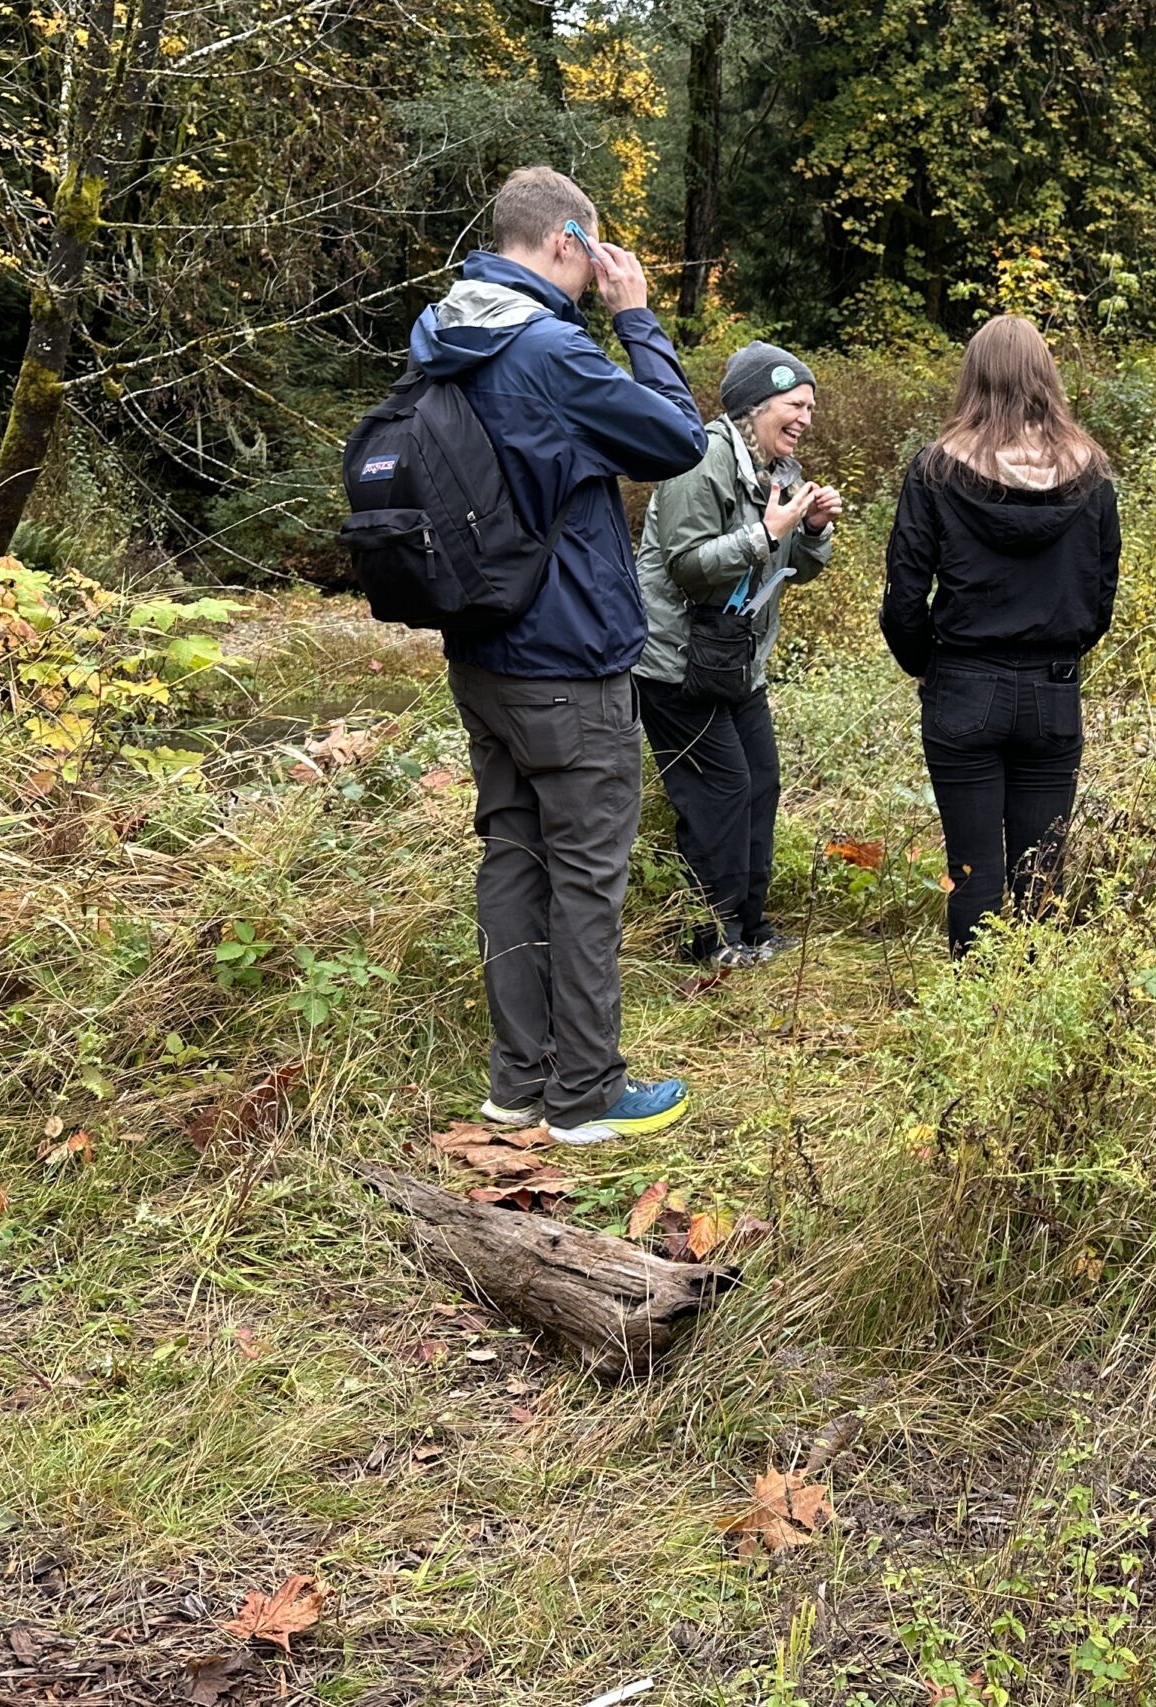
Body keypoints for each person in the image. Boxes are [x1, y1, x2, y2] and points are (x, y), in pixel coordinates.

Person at [413, 166, 707, 1145]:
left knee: (510, 851)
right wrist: (637, 319)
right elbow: (675, 440)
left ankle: (517, 1080)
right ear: (567, 242)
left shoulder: (440, 337)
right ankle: (583, 1093)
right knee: (586, 868)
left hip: (480, 651)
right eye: (592, 256)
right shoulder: (546, 348)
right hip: (568, 658)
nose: (594, 274)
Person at [880, 315, 1121, 953]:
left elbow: (904, 597)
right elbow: (1100, 599)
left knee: (972, 873)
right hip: (1053, 689)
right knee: (1040, 878)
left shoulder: (935, 469)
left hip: (963, 686)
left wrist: (930, 667)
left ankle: (975, 1025)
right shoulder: (1091, 474)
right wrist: (1058, 651)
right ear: (1046, 378)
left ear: (972, 379)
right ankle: (1029, 1018)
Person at [634, 343, 843, 967]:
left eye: (811, 407)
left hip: (732, 659)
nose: (805, 418)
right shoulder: (698, 460)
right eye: (795, 404)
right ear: (755, 406)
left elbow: (797, 570)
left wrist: (809, 531)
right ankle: (705, 940)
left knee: (760, 784)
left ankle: (750, 930)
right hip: (674, 664)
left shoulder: (781, 471)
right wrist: (766, 533)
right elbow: (688, 567)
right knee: (720, 792)